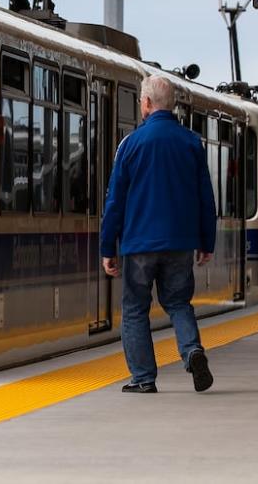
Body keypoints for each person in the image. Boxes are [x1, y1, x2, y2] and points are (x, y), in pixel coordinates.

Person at [101, 74, 217, 394]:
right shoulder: (191, 143)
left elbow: (115, 200)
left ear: (148, 103)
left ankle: (143, 378)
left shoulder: (131, 144)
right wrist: (206, 242)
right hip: (180, 242)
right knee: (179, 303)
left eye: (141, 100)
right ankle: (192, 350)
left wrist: (107, 246)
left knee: (136, 308)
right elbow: (205, 198)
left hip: (138, 242)